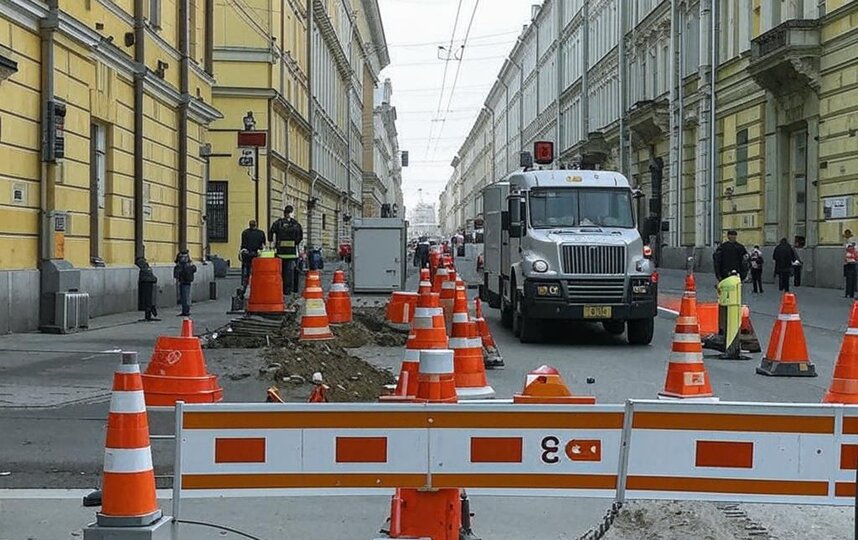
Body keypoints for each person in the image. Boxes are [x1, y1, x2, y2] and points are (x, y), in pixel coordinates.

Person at [269, 205, 303, 297]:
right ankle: (289, 291)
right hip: (292, 253)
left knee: (280, 272)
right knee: (291, 273)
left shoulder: (278, 223)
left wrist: (271, 243)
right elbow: (300, 236)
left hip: (280, 252)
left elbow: (271, 232)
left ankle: (280, 289)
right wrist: (295, 243)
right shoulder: (295, 224)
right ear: (291, 213)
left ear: (284, 213)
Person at [239, 220, 266, 293]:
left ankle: (244, 286)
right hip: (257, 255)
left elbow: (243, 245)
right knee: (256, 272)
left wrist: (241, 253)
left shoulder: (245, 233)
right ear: (256, 225)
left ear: (249, 225)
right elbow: (263, 245)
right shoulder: (261, 233)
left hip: (247, 255)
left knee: (246, 272)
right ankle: (256, 285)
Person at [135, 256, 159, 321]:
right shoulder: (147, 267)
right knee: (148, 299)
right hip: (148, 284)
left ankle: (149, 312)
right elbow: (152, 276)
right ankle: (150, 310)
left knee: (146, 299)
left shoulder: (143, 267)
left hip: (145, 284)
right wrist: (154, 279)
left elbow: (146, 276)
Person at [173, 250, 197, 316]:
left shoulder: (184, 264)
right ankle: (185, 310)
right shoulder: (188, 263)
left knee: (185, 297)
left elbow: (191, 270)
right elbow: (194, 269)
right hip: (185, 281)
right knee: (185, 296)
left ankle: (186, 311)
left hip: (185, 281)